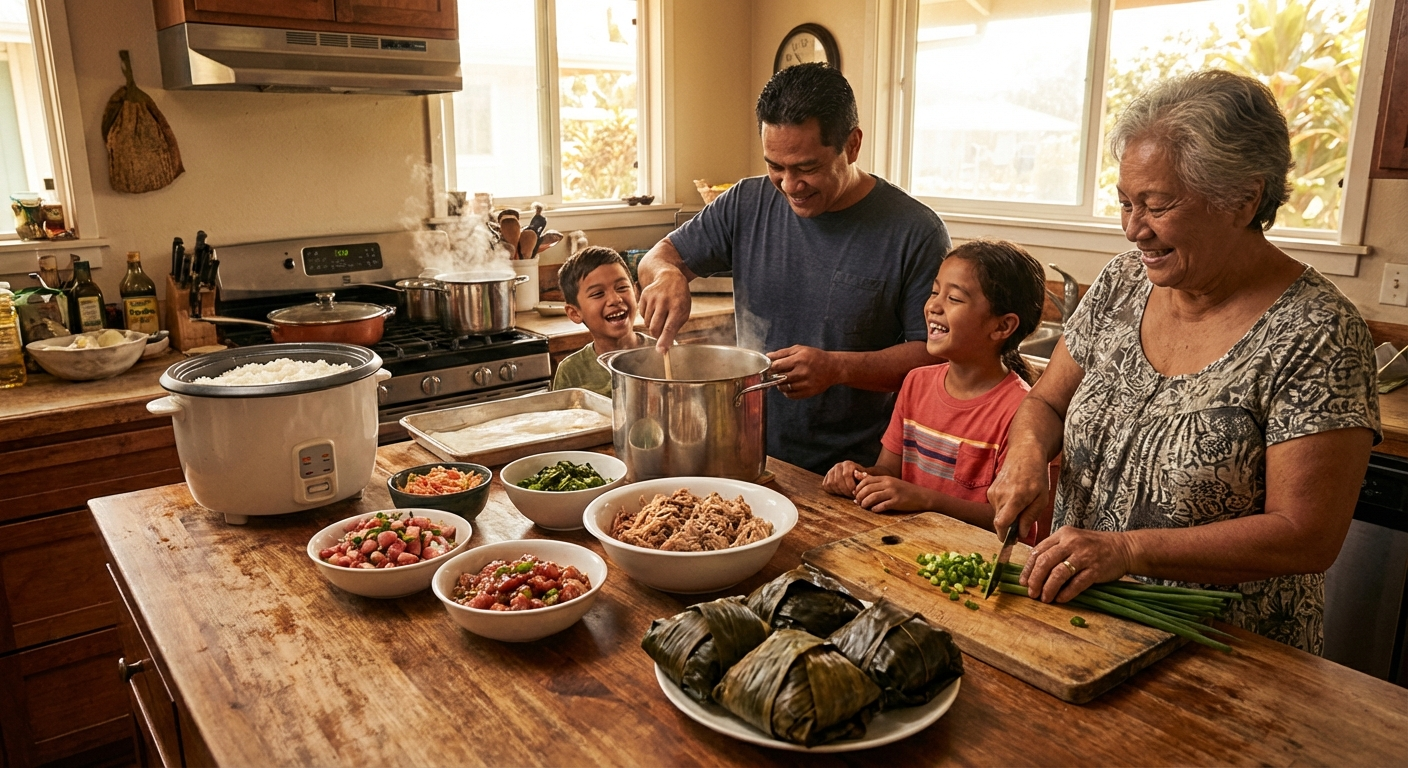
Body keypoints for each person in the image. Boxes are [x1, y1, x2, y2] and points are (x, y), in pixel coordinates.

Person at [987, 70, 1379, 654]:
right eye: (1124, 202)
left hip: (1224, 653)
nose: (1132, 229)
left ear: (1243, 199)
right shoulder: (1122, 282)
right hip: (1084, 626)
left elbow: (1306, 536)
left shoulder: (1319, 332)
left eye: (1157, 205)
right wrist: (1024, 456)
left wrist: (1126, 550)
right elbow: (1046, 399)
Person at [637, 63, 951, 474]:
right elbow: (656, 257)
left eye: (807, 168)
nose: (789, 185)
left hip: (857, 472)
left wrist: (836, 367)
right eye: (775, 166)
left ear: (852, 145)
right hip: (749, 450)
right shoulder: (745, 202)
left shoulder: (914, 231)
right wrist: (667, 275)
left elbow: (932, 360)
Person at [822, 239, 1054, 544]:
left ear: (1002, 327)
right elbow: (887, 473)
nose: (933, 305)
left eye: (954, 298)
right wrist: (858, 477)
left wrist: (926, 500)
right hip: (911, 550)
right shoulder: (916, 383)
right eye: (934, 292)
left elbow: (1018, 526)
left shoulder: (1027, 415)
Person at [551, 246, 653, 398]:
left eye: (622, 287)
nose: (615, 299)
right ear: (575, 313)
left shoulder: (664, 353)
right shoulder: (571, 371)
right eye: (598, 293)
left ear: (636, 292)